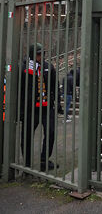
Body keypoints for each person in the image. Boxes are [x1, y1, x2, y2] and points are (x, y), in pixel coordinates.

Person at [20, 43, 59, 171]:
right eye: (38, 54)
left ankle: (44, 160)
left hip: (47, 108)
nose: (41, 56)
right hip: (31, 110)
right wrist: (21, 110)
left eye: (42, 53)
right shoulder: (24, 68)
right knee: (27, 135)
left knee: (51, 132)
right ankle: (27, 163)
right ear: (32, 54)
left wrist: (57, 103)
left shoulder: (48, 67)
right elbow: (19, 90)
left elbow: (55, 86)